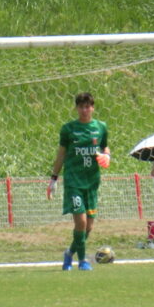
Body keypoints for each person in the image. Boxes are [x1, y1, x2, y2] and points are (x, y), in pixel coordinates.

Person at [47, 92, 110, 271]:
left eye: (87, 106)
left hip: (92, 182)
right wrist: (53, 178)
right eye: (81, 107)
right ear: (76, 108)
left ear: (93, 108)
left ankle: (69, 253)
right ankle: (83, 261)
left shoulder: (101, 127)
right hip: (74, 182)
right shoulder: (68, 129)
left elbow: (105, 146)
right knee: (80, 223)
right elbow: (61, 154)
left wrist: (107, 155)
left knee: (88, 227)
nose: (84, 110)